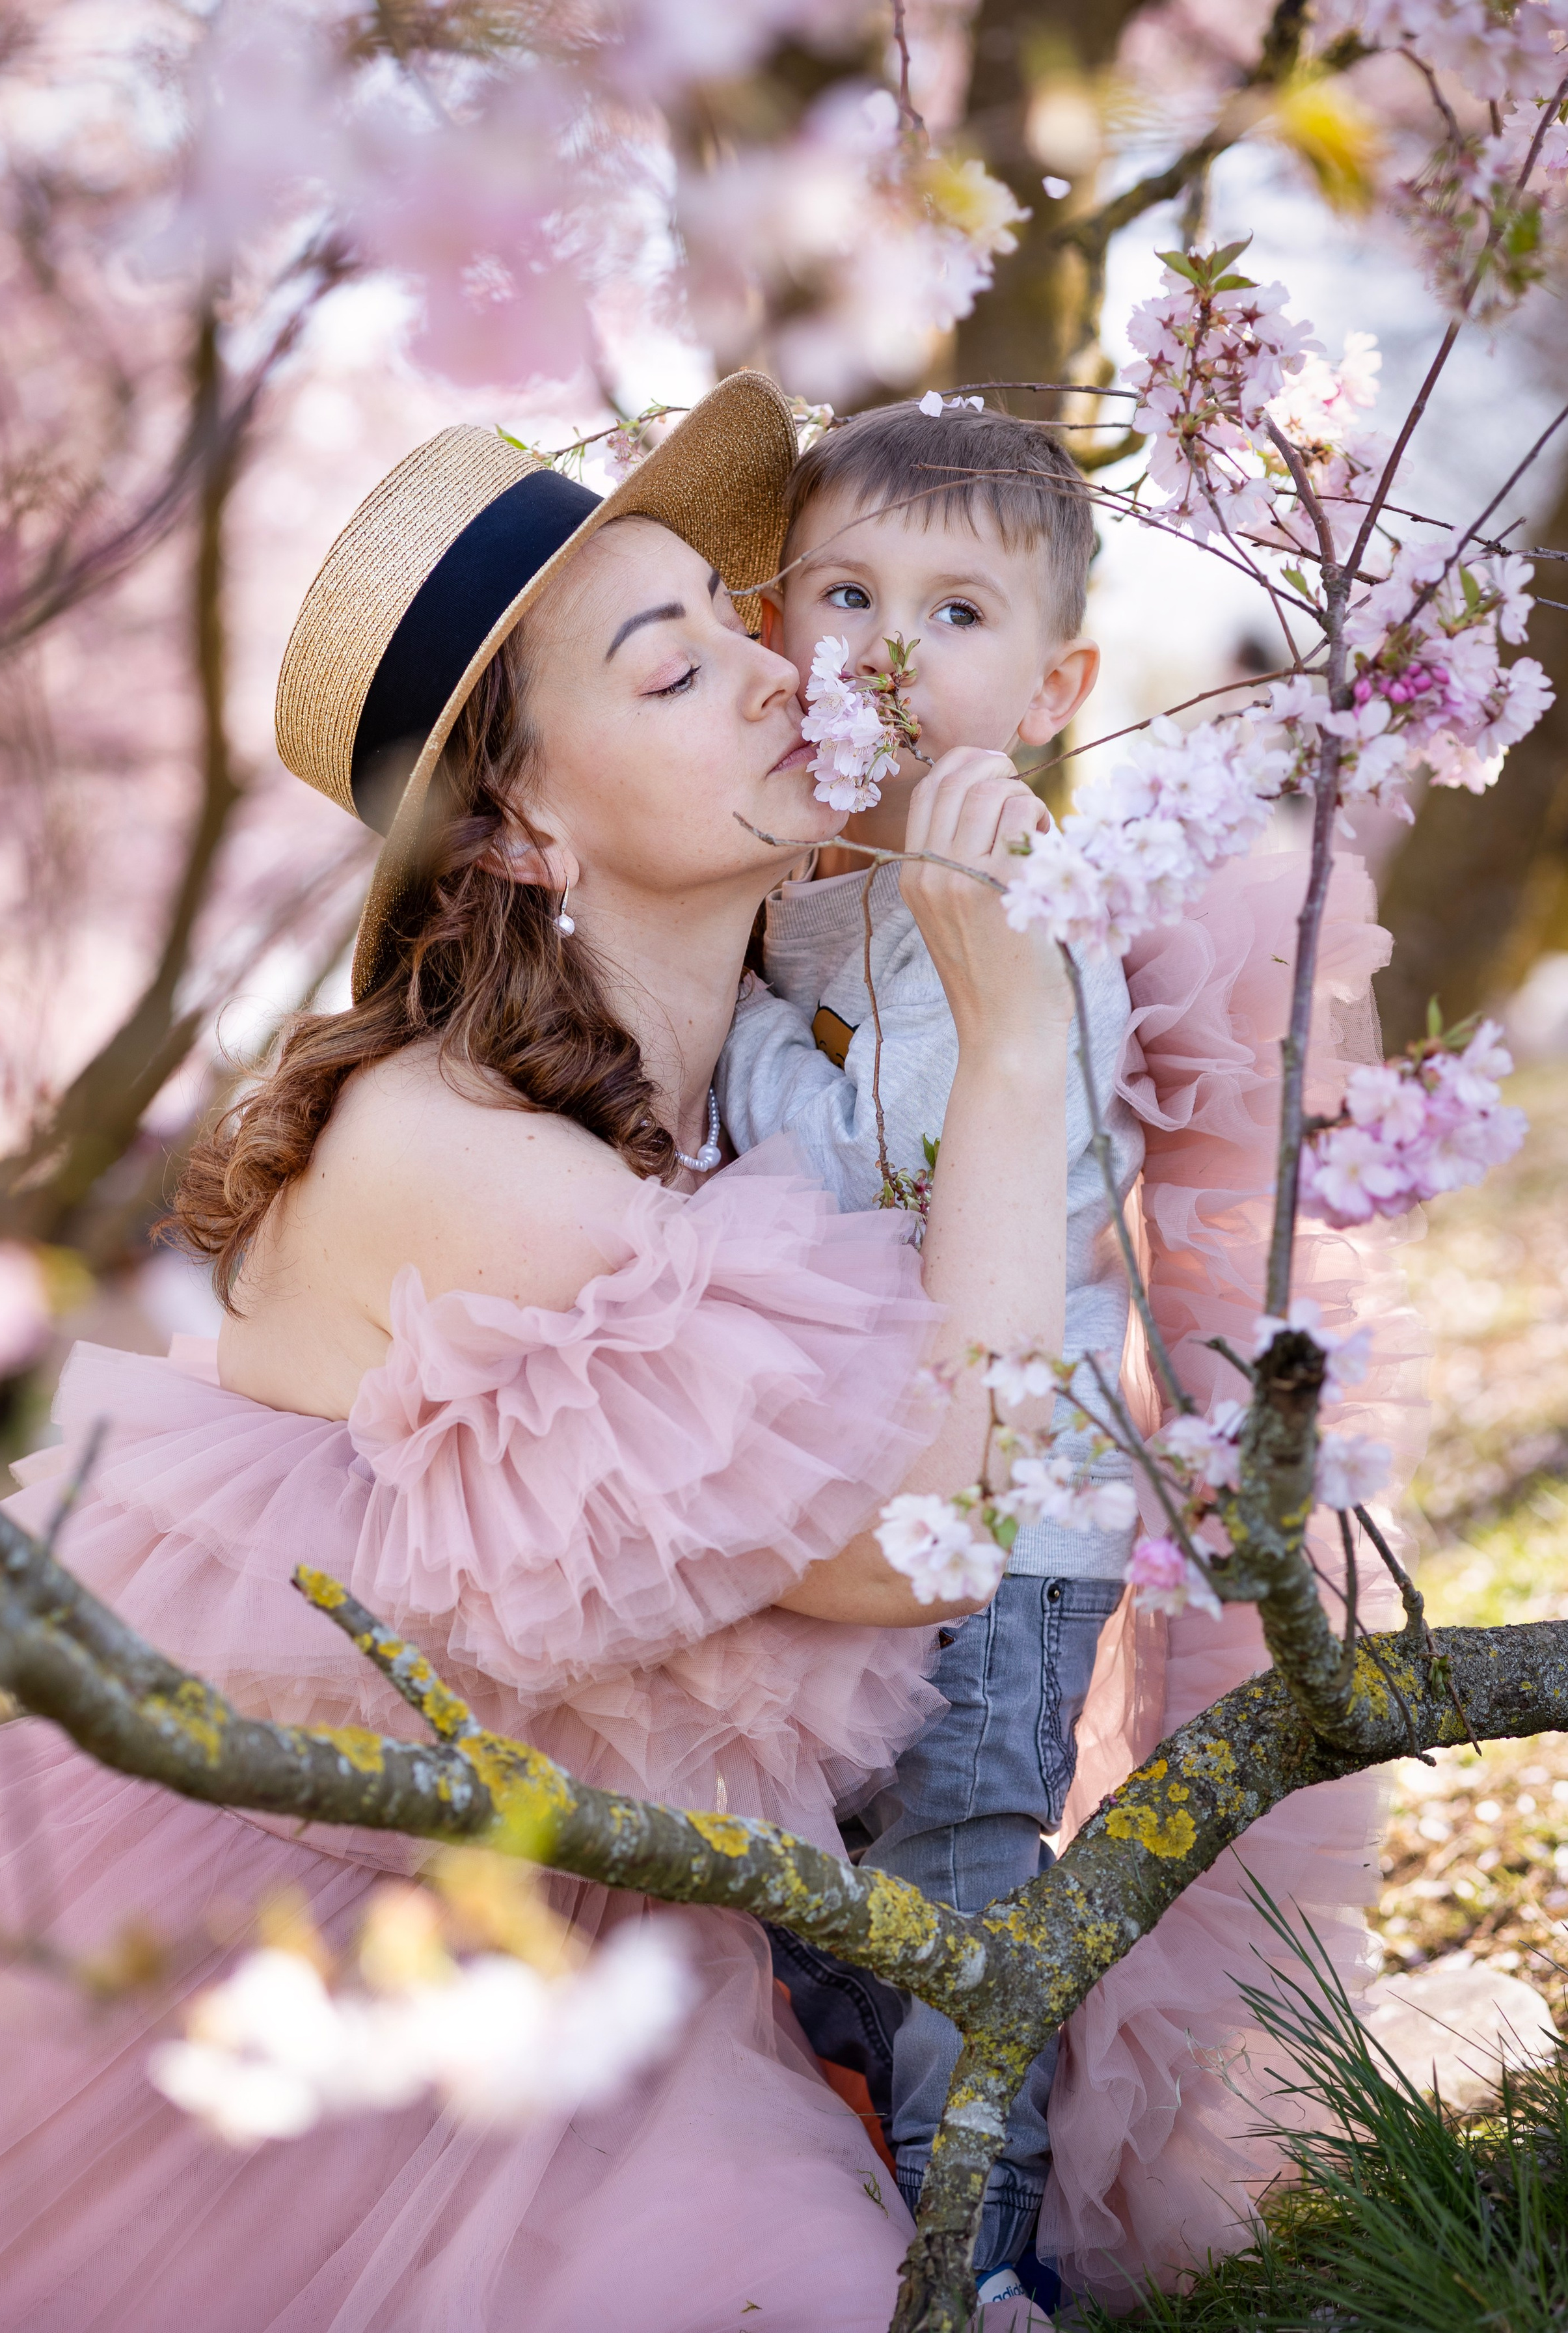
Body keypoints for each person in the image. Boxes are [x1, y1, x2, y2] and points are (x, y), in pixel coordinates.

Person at [0, 372, 1075, 2333]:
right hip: (315, 2008)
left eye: (735, 619)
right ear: (524, 820)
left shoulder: (705, 1108)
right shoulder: (483, 1174)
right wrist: (1021, 1048)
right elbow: (913, 1550)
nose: (780, 670)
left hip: (591, 1952)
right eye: (672, 667)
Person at [716, 400, 1144, 2299]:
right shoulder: (778, 914)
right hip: (824, 1527)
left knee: (959, 1883)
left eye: (957, 613)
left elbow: (971, 1180)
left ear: (1055, 685)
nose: (888, 649)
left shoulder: (1039, 918)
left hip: (1001, 1532)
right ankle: (863, 2220)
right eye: (849, 594)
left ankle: (985, 2267)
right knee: (811, 1918)